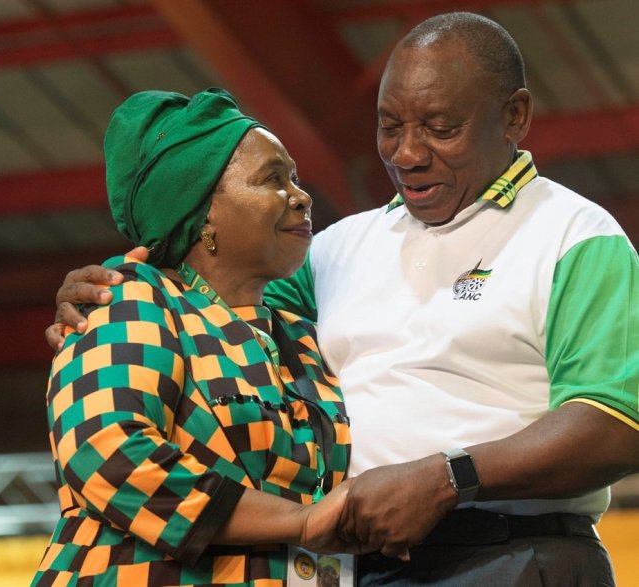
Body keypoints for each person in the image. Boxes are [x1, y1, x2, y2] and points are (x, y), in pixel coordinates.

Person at [47, 12, 639, 587]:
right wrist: (107, 291)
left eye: (440, 127)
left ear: (515, 115)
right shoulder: (337, 249)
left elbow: (617, 425)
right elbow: (205, 296)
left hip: (509, 554)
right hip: (351, 561)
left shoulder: (573, 235)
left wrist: (448, 478)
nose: (407, 153)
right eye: (390, 126)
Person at [33, 88, 363, 587]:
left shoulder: (302, 337)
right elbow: (106, 451)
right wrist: (301, 522)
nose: (301, 195)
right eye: (273, 179)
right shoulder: (133, 299)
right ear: (202, 209)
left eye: (294, 178)